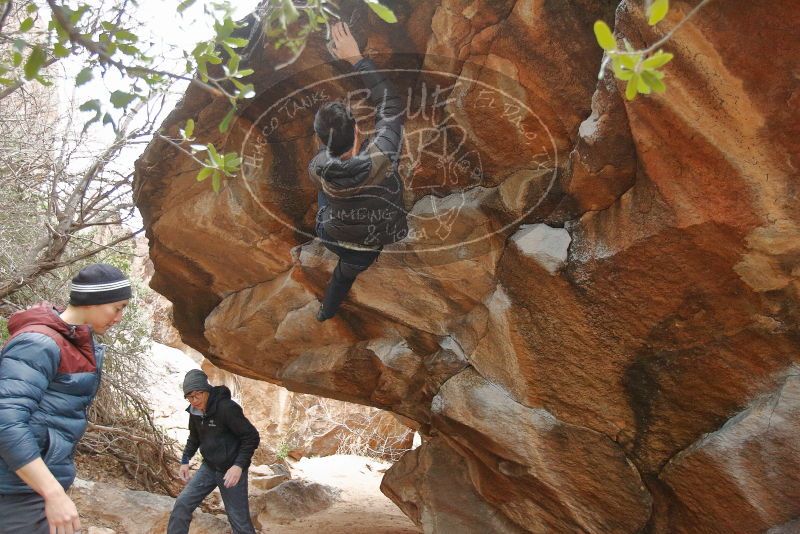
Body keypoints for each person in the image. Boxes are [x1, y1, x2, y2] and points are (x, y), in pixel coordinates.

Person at [0, 263, 131, 534]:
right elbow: (6, 421)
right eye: (117, 307)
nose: (119, 317)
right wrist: (52, 492)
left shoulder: (77, 342)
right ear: (92, 302)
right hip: (15, 490)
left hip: (31, 484)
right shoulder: (39, 343)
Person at [308, 21, 407, 322]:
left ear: (322, 142)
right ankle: (327, 310)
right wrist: (357, 59)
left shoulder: (318, 167)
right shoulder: (383, 154)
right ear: (357, 132)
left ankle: (326, 312)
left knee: (341, 277)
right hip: (371, 242)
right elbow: (390, 105)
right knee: (346, 273)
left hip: (333, 234)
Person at [168, 369, 260, 534]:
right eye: (189, 397)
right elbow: (194, 438)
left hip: (231, 470)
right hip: (209, 467)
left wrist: (238, 466)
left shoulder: (227, 408)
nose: (194, 401)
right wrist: (185, 460)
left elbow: (251, 437)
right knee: (182, 504)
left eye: (197, 395)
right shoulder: (195, 411)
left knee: (239, 521)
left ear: (207, 390)